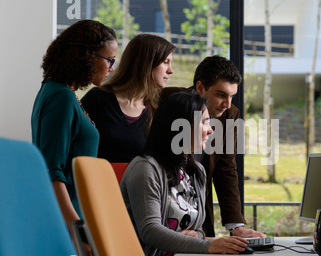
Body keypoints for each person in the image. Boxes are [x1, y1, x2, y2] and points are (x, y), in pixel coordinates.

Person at [120, 92, 249, 256]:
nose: (210, 130)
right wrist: (206, 245)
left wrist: (198, 235)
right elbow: (150, 231)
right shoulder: (145, 168)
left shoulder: (196, 171)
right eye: (204, 122)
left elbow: (198, 229)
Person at [161, 55, 266, 238]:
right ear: (200, 88)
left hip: (199, 217)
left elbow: (226, 168)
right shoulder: (167, 101)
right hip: (163, 211)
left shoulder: (229, 114)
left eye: (232, 96)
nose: (227, 104)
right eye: (221, 95)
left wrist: (236, 226)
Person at [31, 20, 118, 236]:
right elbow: (53, 171)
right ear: (87, 56)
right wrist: (77, 231)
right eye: (109, 60)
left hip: (73, 219)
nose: (111, 68)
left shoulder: (58, 92)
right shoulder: (60, 96)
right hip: (66, 224)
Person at [81, 34, 175, 163]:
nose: (170, 71)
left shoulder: (157, 108)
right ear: (146, 63)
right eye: (165, 62)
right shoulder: (98, 99)